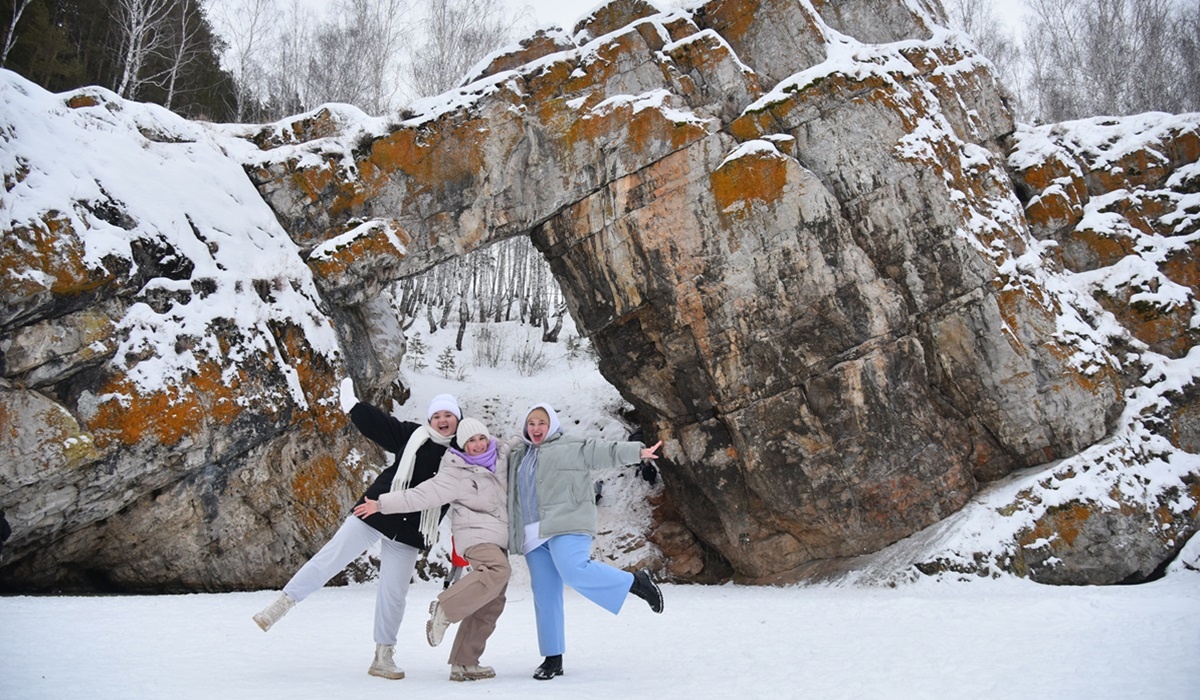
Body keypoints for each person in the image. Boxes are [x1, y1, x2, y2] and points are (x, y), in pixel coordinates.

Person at [252, 392, 462, 681]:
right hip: (375, 510)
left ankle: (383, 655)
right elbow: (382, 425)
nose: (442, 420)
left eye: (448, 415)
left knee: (394, 594)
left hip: (412, 530)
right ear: (430, 420)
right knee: (331, 557)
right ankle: (282, 604)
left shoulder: (462, 454)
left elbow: (485, 462)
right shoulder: (414, 435)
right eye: (437, 416)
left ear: (458, 419)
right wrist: (355, 406)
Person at [507, 403, 664, 681]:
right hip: (532, 534)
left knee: (573, 568)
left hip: (567, 523)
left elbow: (604, 451)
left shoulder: (570, 445)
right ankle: (552, 658)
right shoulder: (519, 456)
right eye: (531, 423)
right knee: (545, 595)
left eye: (541, 423)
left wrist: (637, 451)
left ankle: (636, 582)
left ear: (551, 424)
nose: (536, 428)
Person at [354, 417, 516, 682]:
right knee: (499, 570)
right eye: (470, 441)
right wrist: (381, 504)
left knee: (492, 599)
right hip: (475, 537)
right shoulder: (454, 471)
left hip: (500, 537)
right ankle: (444, 607)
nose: (476, 445)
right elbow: (419, 495)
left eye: (480, 439)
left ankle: (465, 663)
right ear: (462, 446)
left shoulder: (502, 455)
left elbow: (528, 437)